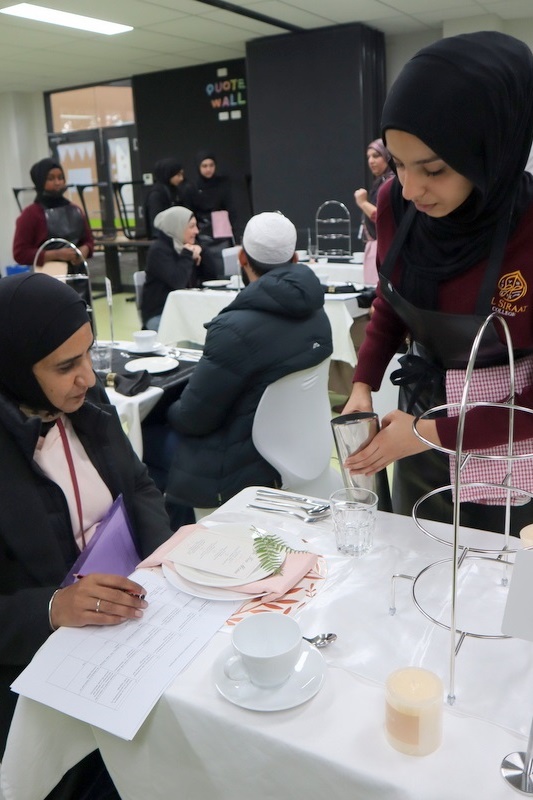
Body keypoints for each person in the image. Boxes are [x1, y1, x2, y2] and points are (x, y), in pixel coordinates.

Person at [343, 31, 533, 537]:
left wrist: (431, 435)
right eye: (398, 163)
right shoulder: (396, 205)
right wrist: (363, 384)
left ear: (490, 149)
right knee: (418, 558)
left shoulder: (530, 229)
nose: (410, 188)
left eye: (434, 169)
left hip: (510, 439)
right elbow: (392, 300)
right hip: (419, 419)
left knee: (498, 585)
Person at [0, 272, 174, 797]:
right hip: (34, 661)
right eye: (65, 366)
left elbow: (139, 485)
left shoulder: (85, 413)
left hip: (122, 623)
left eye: (88, 356)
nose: (88, 379)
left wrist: (159, 558)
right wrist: (53, 608)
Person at [142, 211, 333, 510]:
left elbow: (193, 419)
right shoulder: (319, 315)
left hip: (237, 468)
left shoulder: (234, 329)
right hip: (301, 449)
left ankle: (173, 542)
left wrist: (164, 407)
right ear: (295, 259)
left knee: (142, 437)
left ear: (242, 257)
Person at [141, 206, 217, 330]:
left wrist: (202, 251)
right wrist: (187, 255)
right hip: (161, 313)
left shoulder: (186, 246)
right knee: (197, 334)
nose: (197, 231)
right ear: (177, 227)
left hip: (187, 310)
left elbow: (212, 277)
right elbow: (178, 282)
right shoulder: (158, 251)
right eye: (191, 226)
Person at [13, 157, 94, 268]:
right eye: (51, 179)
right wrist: (56, 254)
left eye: (60, 178)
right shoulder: (30, 214)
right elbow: (20, 253)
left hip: (79, 275)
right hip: (47, 277)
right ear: (40, 182)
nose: (57, 183)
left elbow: (89, 241)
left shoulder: (76, 210)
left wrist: (85, 250)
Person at [190, 149, 239, 275]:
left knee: (225, 268)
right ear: (198, 167)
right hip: (202, 235)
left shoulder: (222, 184)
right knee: (209, 269)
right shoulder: (192, 187)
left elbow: (231, 209)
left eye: (211, 165)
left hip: (222, 234)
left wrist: (236, 233)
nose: (208, 169)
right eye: (204, 166)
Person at [354, 138, 394, 284]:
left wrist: (363, 203)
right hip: (377, 245)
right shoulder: (381, 182)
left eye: (376, 156)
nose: (371, 161)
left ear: (388, 156)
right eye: (369, 157)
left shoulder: (390, 183)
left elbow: (383, 217)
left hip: (383, 247)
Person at [143, 157, 189, 239]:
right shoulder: (156, 194)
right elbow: (156, 225)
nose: (181, 178)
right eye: (178, 175)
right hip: (162, 241)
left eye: (182, 174)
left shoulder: (175, 190)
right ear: (168, 174)